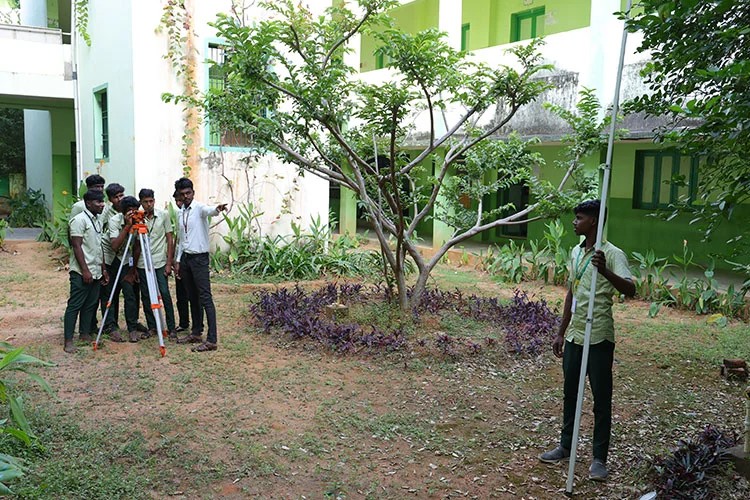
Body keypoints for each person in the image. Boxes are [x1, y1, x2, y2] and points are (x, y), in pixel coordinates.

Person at [538, 199, 635, 482]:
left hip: (600, 336)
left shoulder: (613, 254)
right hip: (575, 335)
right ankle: (566, 445)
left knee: (601, 399)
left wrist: (605, 270)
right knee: (571, 393)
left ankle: (599, 459)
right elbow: (572, 292)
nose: (574, 222)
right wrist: (560, 330)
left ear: (593, 221)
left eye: (579, 218)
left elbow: (631, 289)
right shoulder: (575, 252)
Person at [173, 177, 227, 352]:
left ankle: (212, 340)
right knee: (192, 297)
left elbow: (210, 210)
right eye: (183, 194)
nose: (186, 196)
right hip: (187, 259)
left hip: (200, 259)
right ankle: (196, 332)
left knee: (205, 297)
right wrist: (178, 260)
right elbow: (181, 239)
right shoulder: (181, 212)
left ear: (193, 193)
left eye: (188, 193)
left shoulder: (199, 208)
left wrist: (217, 209)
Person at [63, 190, 109, 353]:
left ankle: (85, 333)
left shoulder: (97, 220)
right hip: (82, 271)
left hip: (96, 270)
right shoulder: (79, 220)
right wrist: (85, 271)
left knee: (90, 304)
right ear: (88, 203)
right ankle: (68, 340)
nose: (102, 204)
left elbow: (99, 246)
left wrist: (103, 268)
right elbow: (76, 246)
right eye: (98, 202)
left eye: (102, 201)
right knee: (75, 305)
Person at [136, 188, 177, 339]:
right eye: (145, 202)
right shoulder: (138, 218)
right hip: (143, 263)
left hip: (160, 261)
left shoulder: (163, 215)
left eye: (151, 201)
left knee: (164, 293)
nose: (149, 204)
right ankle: (152, 326)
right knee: (146, 295)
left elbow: (169, 238)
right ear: (141, 202)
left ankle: (171, 327)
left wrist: (169, 262)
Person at [109, 195, 148, 342]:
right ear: (122, 212)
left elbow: (138, 246)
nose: (133, 214)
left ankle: (132, 327)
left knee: (130, 294)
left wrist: (133, 270)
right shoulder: (114, 221)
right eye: (130, 211)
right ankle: (112, 326)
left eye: (135, 210)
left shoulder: (140, 221)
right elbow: (114, 246)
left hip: (129, 261)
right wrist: (127, 226)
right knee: (112, 294)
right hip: (114, 260)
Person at [172, 189, 191, 334]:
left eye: (180, 200)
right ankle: (183, 322)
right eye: (176, 201)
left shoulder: (193, 213)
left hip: (191, 257)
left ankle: (197, 324)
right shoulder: (179, 214)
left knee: (192, 293)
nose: (179, 203)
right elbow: (178, 239)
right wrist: (175, 260)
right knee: (181, 294)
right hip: (180, 258)